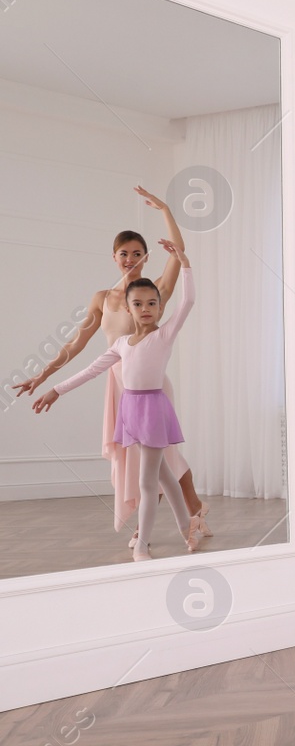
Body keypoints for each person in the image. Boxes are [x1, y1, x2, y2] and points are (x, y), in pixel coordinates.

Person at [12, 186, 210, 545]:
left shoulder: (156, 292)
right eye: (124, 254)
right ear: (114, 257)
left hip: (150, 386)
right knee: (158, 461)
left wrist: (165, 209)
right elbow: (77, 345)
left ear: (146, 257)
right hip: (117, 384)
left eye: (137, 253)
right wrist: (44, 376)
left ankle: (149, 527)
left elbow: (180, 254)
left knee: (163, 456)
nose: (130, 259)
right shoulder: (103, 298)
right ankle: (194, 511)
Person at [33, 240, 200, 561]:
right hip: (131, 411)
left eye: (153, 303)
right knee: (165, 475)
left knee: (147, 482)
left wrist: (184, 261)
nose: (147, 308)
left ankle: (142, 544)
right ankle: (186, 528)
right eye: (139, 304)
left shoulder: (163, 335)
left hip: (154, 410)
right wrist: (56, 389)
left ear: (161, 308)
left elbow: (189, 300)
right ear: (127, 308)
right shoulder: (122, 344)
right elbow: (89, 371)